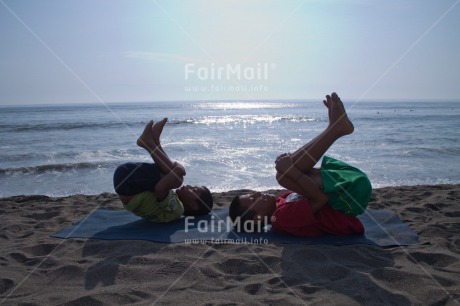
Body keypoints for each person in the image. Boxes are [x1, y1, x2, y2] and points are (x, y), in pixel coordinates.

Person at [229, 92, 372, 236]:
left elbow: (304, 180)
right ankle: (335, 129)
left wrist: (290, 164)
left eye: (254, 194)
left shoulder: (281, 201)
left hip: (348, 184)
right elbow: (320, 199)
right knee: (283, 176)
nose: (258, 193)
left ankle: (334, 128)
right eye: (254, 199)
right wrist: (290, 170)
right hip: (349, 197)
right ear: (257, 218)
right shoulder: (281, 218)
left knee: (286, 173)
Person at [113, 118, 213, 223]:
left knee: (178, 179)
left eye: (194, 190)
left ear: (194, 205)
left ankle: (151, 143)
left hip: (128, 183)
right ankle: (154, 142)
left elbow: (160, 189)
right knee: (174, 177)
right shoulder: (174, 205)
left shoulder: (178, 210)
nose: (189, 186)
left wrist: (180, 168)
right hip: (127, 183)